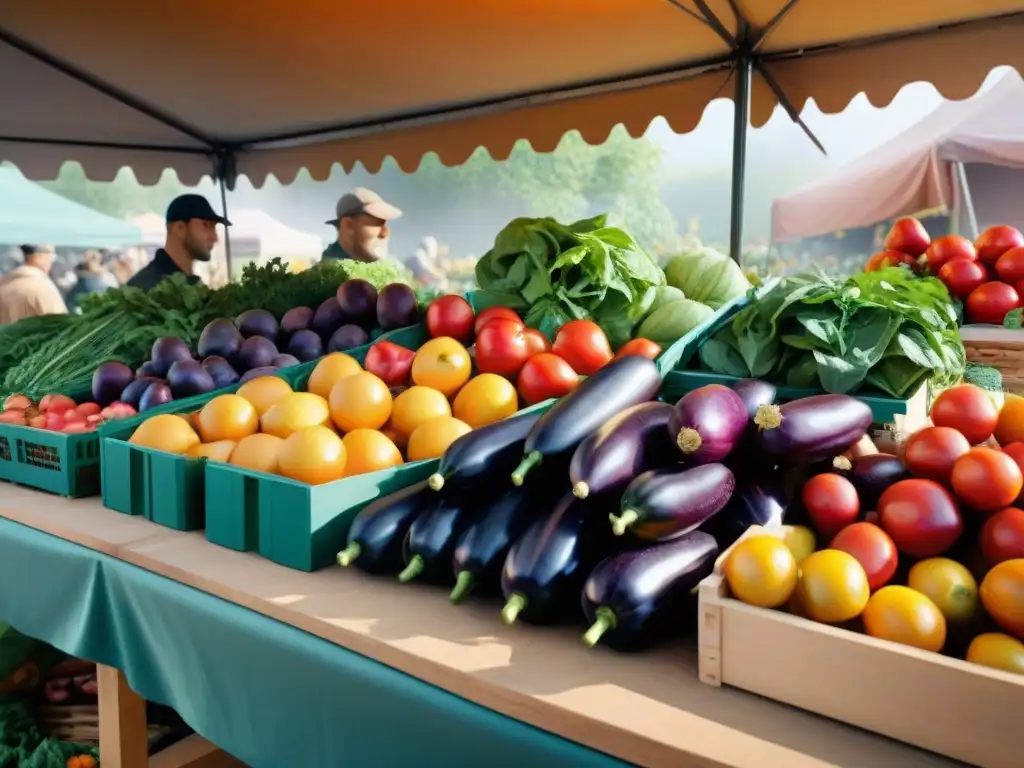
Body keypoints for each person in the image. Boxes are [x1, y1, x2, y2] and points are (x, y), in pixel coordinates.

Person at [127, 194, 230, 290]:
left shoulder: (193, 284)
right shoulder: (144, 288)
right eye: (206, 225)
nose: (215, 238)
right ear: (180, 228)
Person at [322, 187, 401, 262]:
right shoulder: (331, 271)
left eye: (384, 224)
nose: (385, 233)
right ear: (348, 225)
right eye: (377, 224)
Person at [0, 245, 68, 325]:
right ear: (37, 257)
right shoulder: (43, 288)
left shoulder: (4, 285)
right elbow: (62, 326)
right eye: (50, 258)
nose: (50, 264)